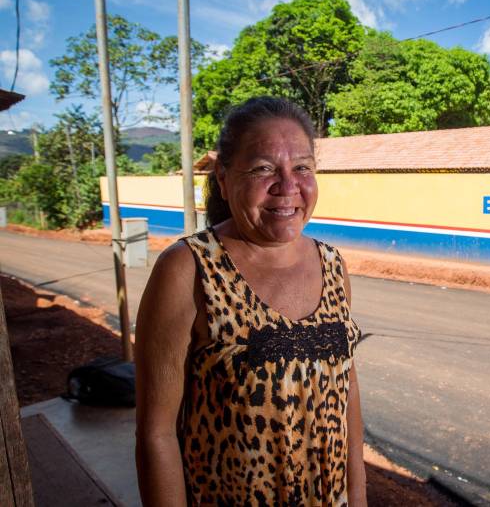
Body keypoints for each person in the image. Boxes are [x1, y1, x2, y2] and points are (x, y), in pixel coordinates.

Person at [134, 97, 367, 506]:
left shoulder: (333, 266)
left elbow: (347, 398)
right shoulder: (189, 268)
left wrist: (358, 498)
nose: (288, 186)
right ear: (223, 178)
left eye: (302, 167)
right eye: (263, 168)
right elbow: (156, 434)